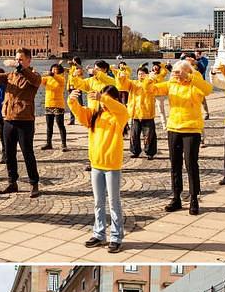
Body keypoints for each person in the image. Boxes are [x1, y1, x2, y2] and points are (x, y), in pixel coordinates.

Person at [68, 85, 129, 253]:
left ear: (114, 99)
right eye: (102, 97)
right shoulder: (95, 114)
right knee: (98, 202)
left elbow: (122, 109)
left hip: (112, 166)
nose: (103, 102)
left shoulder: (119, 116)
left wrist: (104, 98)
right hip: (96, 165)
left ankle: (116, 237)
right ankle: (99, 234)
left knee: (114, 202)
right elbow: (80, 114)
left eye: (107, 98)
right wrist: (72, 100)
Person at [152, 60, 213, 215]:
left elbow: (208, 90)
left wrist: (190, 77)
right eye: (176, 72)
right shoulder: (171, 83)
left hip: (192, 129)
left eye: (180, 72)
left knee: (191, 164)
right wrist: (150, 79)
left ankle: (194, 198)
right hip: (174, 128)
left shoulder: (195, 82)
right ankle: (176, 197)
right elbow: (152, 90)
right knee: (175, 165)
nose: (177, 75)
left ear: (188, 71)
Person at [0, 48, 42, 198]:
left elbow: (33, 80)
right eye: (17, 59)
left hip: (25, 120)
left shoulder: (34, 76)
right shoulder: (11, 75)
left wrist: (19, 68)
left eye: (21, 59)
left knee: (27, 153)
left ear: (29, 60)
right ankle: (12, 182)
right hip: (8, 119)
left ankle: (34, 183)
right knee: (9, 154)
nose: (18, 62)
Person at [114, 65, 161, 159]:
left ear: (147, 74)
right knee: (134, 135)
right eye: (139, 74)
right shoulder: (133, 83)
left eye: (143, 74)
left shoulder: (152, 83)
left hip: (147, 114)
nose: (141, 76)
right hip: (135, 113)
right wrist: (121, 76)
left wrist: (148, 79)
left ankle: (150, 152)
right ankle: (135, 151)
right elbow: (121, 85)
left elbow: (151, 88)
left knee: (149, 135)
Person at [40, 63, 68, 151]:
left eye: (55, 69)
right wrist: (33, 73)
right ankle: (49, 143)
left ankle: (64, 144)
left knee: (60, 125)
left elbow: (57, 78)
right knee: (49, 125)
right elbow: (39, 81)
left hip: (58, 105)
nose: (53, 70)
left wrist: (52, 74)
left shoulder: (61, 78)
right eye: (52, 69)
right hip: (48, 104)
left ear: (59, 70)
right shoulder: (48, 78)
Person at [150, 62, 169, 130]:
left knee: (161, 111)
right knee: (150, 109)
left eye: (156, 67)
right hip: (151, 94)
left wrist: (161, 64)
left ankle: (164, 125)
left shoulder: (161, 74)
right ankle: (151, 124)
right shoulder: (150, 74)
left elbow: (165, 69)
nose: (155, 68)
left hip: (159, 95)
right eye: (154, 66)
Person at [66, 56, 85, 125]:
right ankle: (72, 120)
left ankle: (82, 119)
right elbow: (68, 73)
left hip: (78, 88)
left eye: (74, 60)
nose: (72, 61)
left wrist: (75, 64)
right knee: (72, 103)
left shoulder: (79, 67)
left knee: (80, 104)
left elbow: (80, 68)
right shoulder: (72, 68)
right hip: (71, 88)